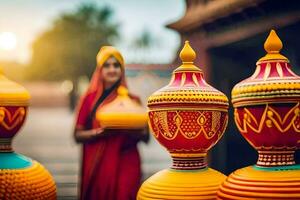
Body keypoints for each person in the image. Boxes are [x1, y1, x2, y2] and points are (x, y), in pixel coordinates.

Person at [74, 46, 148, 200]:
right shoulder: (89, 99)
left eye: (116, 65)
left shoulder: (133, 100)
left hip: (126, 159)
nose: (112, 69)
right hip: (98, 162)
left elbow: (146, 136)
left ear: (122, 70)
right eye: (107, 65)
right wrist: (100, 133)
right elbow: (77, 135)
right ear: (100, 70)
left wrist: (125, 128)